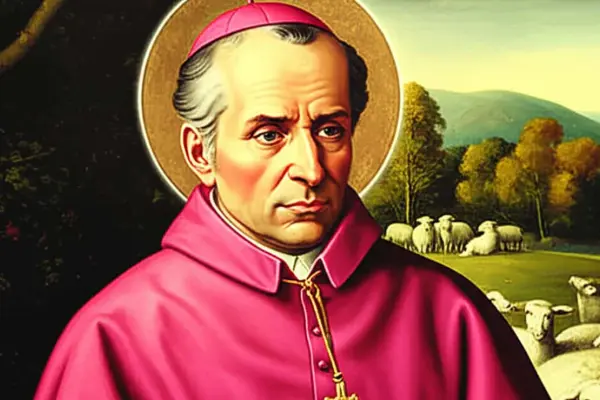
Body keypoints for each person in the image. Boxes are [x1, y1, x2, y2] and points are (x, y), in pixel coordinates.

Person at [34, 1, 551, 399]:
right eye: (269, 134)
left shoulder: (448, 311)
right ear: (200, 152)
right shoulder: (116, 333)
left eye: (329, 130)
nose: (311, 168)